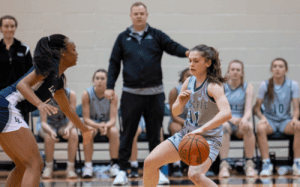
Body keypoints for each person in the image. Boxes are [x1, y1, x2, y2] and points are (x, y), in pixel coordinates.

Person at [105, 2, 189, 185]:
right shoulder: (122, 38)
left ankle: (157, 172)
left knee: (154, 135)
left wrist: (188, 52)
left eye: (142, 13)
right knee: (127, 134)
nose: (139, 16)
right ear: (131, 16)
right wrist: (110, 85)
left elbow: (172, 46)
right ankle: (122, 171)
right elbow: (113, 63)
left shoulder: (156, 35)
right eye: (135, 13)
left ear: (147, 15)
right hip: (130, 94)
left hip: (155, 94)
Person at [0, 34, 92, 187]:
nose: (76, 53)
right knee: (35, 163)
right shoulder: (48, 67)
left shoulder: (58, 79)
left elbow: (67, 109)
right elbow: (22, 85)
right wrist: (39, 103)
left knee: (24, 165)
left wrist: (84, 129)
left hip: (5, 108)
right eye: (73, 49)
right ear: (63, 52)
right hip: (6, 106)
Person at [143, 44, 232, 187]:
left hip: (208, 139)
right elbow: (176, 111)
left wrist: (202, 130)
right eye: (190, 60)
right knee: (150, 163)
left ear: (208, 63)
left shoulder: (214, 86)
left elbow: (227, 113)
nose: (191, 64)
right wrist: (180, 102)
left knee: (195, 175)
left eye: (196, 61)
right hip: (187, 135)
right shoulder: (188, 82)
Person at [254, 57, 300, 176]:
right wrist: (262, 118)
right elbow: (256, 108)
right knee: (260, 128)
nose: (277, 69)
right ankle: (266, 163)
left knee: (298, 126)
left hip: (285, 121)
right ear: (271, 69)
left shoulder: (293, 85)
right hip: (270, 121)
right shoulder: (265, 85)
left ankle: (297, 163)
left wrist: (295, 119)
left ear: (286, 69)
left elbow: (296, 108)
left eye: (281, 66)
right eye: (275, 66)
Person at [218, 60, 256, 177]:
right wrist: (230, 118)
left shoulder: (247, 87)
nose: (235, 72)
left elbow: (249, 109)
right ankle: (224, 165)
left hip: (240, 123)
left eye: (238, 70)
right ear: (228, 71)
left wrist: (244, 119)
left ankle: (249, 164)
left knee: (249, 127)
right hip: (226, 120)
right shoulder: (221, 86)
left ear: (242, 72)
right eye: (232, 69)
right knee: (224, 127)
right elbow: (219, 108)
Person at [36, 76, 78, 179]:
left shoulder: (71, 95)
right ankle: (49, 167)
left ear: (65, 83)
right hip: (47, 125)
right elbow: (43, 122)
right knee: (49, 136)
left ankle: (70, 168)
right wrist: (51, 131)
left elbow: (73, 119)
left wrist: (68, 128)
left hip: (62, 124)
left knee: (74, 134)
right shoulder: (44, 96)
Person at [81, 69, 120, 178]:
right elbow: (86, 119)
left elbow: (113, 120)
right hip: (92, 124)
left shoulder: (113, 95)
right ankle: (88, 166)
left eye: (102, 78)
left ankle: (114, 165)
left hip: (106, 125)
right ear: (93, 80)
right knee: (87, 132)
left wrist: (105, 126)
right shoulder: (87, 94)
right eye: (97, 78)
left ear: (107, 81)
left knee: (114, 131)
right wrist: (99, 126)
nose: (99, 81)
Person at [0, 15, 33, 123]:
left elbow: (31, 74)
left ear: (15, 28)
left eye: (12, 26)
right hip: (1, 97)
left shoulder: (24, 49)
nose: (9, 29)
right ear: (1, 28)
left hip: (20, 98)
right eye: (6, 26)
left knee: (22, 133)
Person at [168, 67, 191, 177]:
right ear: (182, 78)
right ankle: (176, 164)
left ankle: (195, 163)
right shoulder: (175, 91)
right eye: (188, 76)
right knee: (176, 128)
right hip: (178, 121)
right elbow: (174, 115)